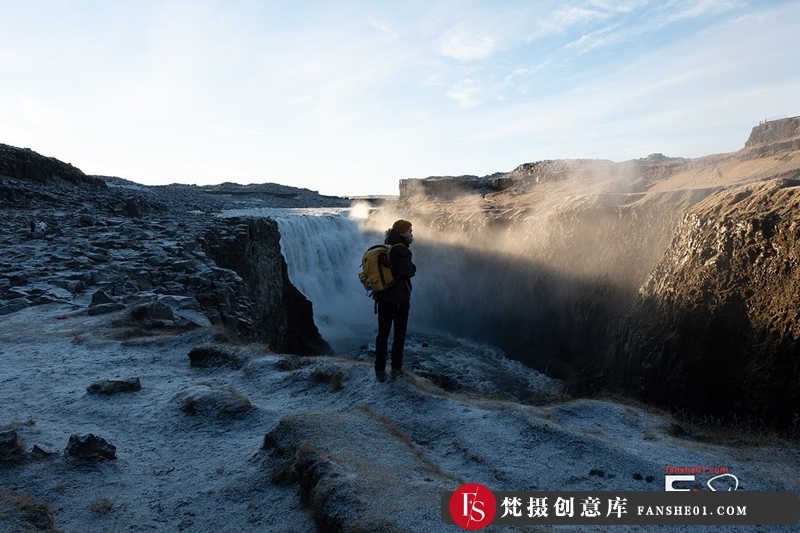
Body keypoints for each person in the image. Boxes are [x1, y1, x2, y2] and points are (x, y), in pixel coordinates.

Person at [374, 219, 416, 381]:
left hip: (382, 297)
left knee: (382, 334)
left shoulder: (386, 246)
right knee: (399, 335)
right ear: (402, 233)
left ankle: (379, 370)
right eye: (409, 231)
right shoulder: (403, 250)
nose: (412, 234)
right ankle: (396, 369)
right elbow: (406, 270)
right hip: (399, 300)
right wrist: (413, 269)